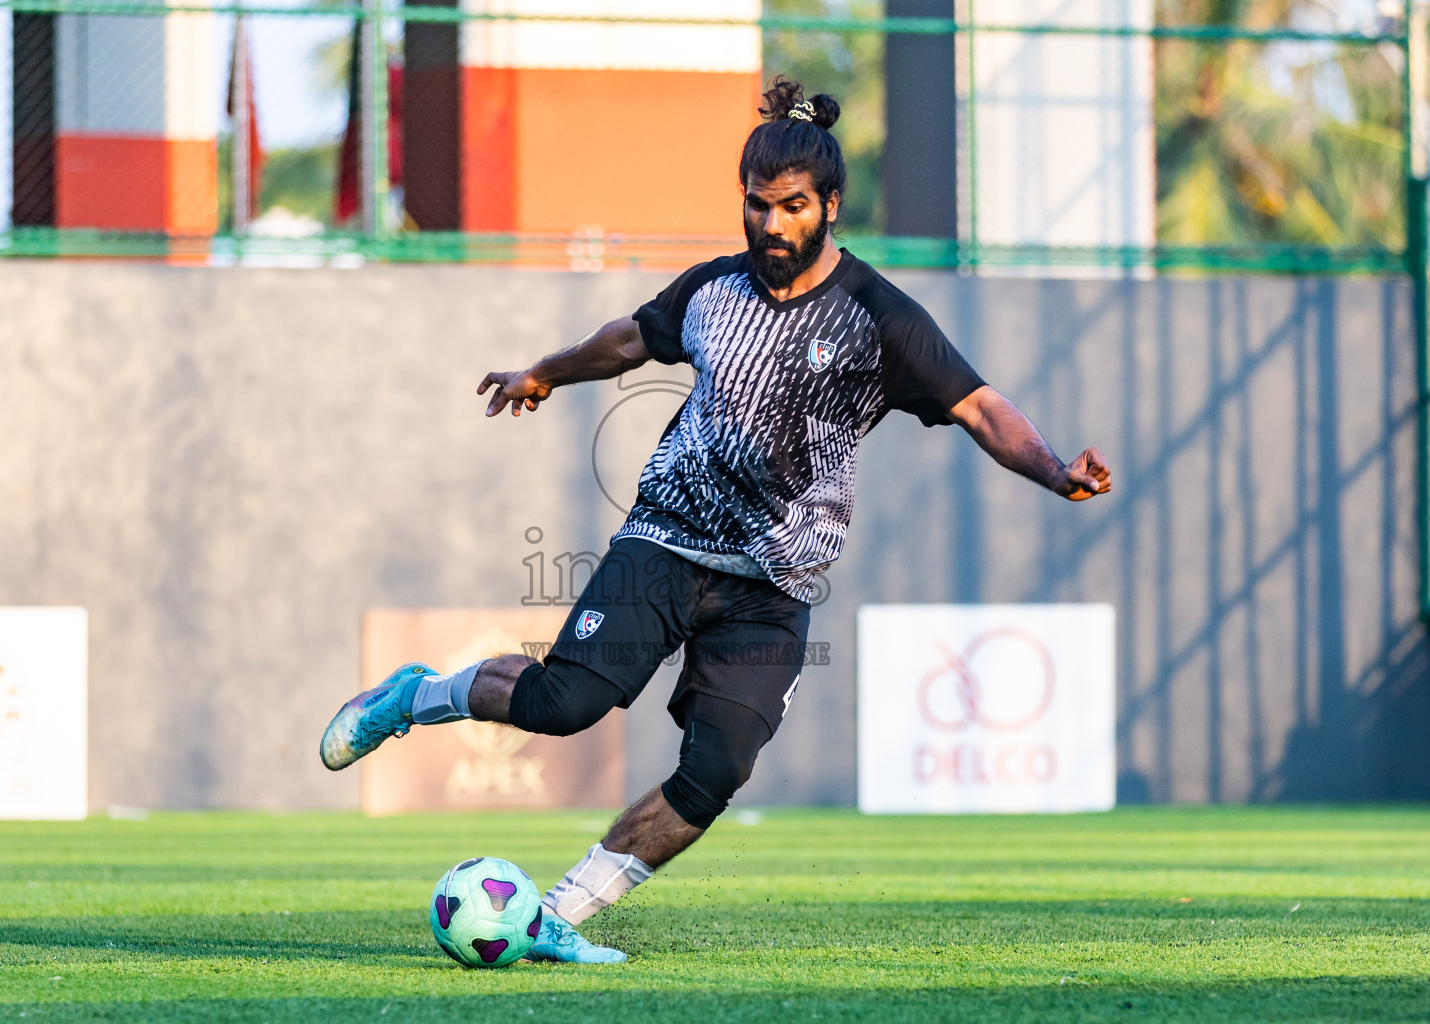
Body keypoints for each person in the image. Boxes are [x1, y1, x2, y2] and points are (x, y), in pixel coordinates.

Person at [319, 78, 1111, 962]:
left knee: (716, 773)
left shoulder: (879, 317)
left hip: (774, 586)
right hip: (665, 544)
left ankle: (555, 920)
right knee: (563, 703)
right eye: (758, 205)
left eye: (793, 208)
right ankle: (413, 696)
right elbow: (627, 341)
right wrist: (542, 372)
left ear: (831, 206)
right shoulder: (713, 292)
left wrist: (1052, 469)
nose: (772, 226)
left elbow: (978, 406)